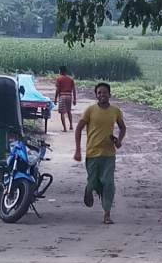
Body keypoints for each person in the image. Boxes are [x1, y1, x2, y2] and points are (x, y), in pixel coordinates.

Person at [74, 82, 126, 224]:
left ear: (110, 94)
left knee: (108, 183)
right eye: (99, 93)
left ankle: (107, 214)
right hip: (92, 153)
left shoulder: (115, 111)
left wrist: (119, 141)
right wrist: (78, 150)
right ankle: (89, 189)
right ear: (96, 95)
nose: (102, 95)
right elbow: (79, 129)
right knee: (93, 182)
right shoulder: (90, 110)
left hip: (109, 154)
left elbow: (123, 128)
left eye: (104, 92)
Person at [53, 66, 77, 131]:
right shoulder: (71, 79)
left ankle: (65, 128)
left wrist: (55, 98)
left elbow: (58, 90)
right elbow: (74, 90)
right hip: (69, 96)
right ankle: (71, 125)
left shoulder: (59, 79)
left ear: (60, 71)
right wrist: (75, 99)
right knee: (69, 111)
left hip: (62, 96)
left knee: (62, 113)